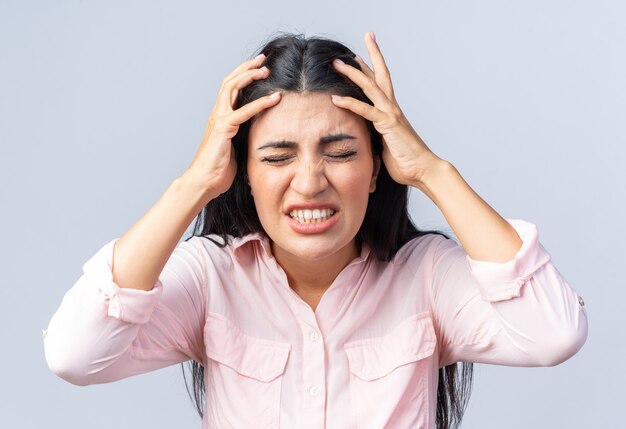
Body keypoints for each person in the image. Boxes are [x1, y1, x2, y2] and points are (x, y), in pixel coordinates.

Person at [43, 31, 588, 429]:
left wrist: (431, 170)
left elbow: (553, 333)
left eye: (341, 152)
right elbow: (74, 353)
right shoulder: (210, 277)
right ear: (243, 174)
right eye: (278, 156)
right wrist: (194, 184)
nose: (309, 182)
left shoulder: (425, 276)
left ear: (376, 168)